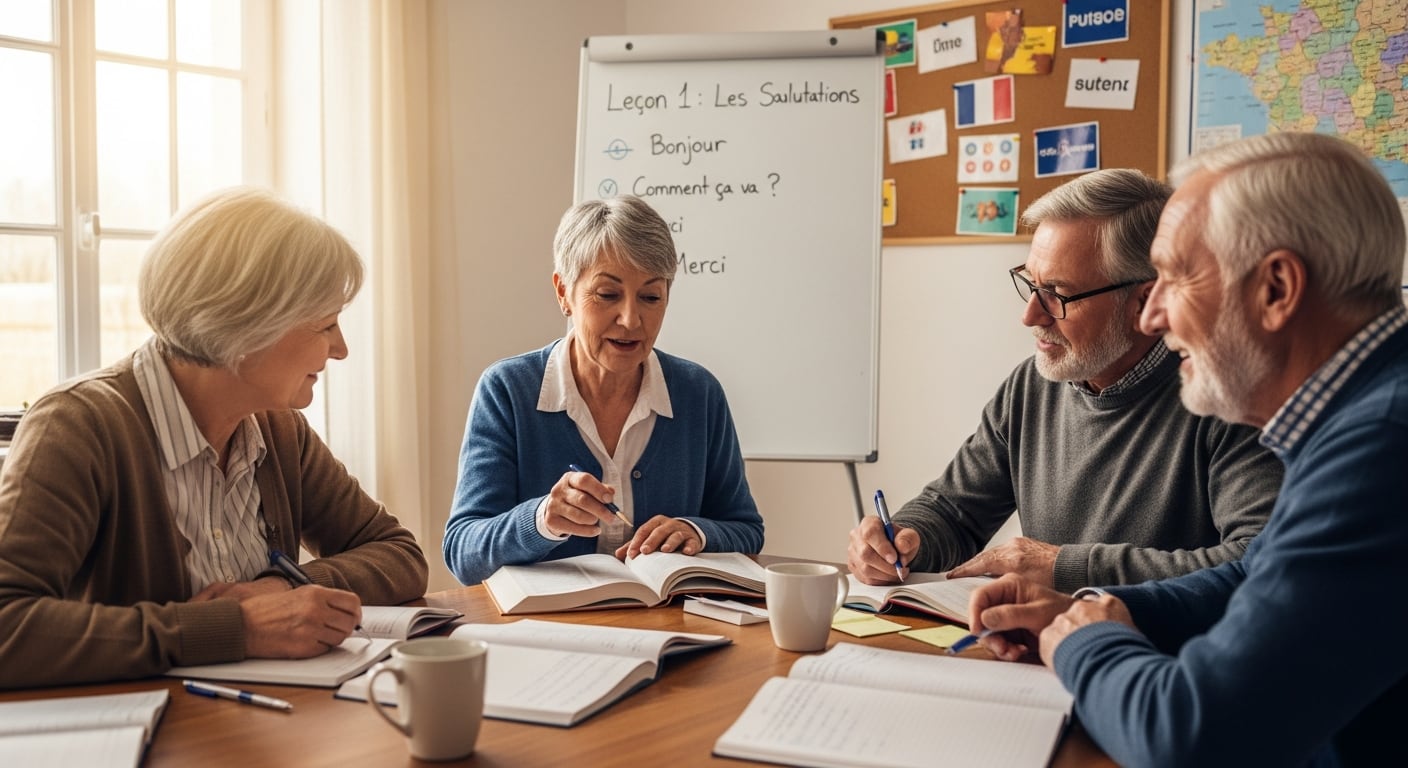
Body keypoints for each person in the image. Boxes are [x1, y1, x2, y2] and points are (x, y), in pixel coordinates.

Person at [968, 132, 1408, 766]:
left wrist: (1084, 644)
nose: (1152, 318)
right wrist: (1093, 608)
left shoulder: (1380, 451)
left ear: (1277, 289)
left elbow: (1187, 735)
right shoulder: (1364, 412)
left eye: (1174, 278)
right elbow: (1255, 575)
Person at [0, 187, 428, 690]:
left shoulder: (278, 428)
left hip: (258, 723)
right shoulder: (77, 426)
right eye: (326, 325)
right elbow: (8, 626)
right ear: (248, 330)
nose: (340, 349)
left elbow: (399, 554)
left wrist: (281, 589)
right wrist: (233, 629)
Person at [849, 168, 1281, 591]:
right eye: (1030, 283)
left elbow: (1258, 560)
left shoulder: (1228, 396)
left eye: (1057, 293)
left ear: (1144, 300)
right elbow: (956, 512)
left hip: (1158, 654)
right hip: (1039, 650)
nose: (1030, 315)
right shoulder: (1032, 387)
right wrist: (904, 540)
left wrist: (1065, 566)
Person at [443, 195, 764, 585]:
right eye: (607, 295)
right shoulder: (508, 390)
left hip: (669, 630)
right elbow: (462, 552)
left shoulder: (699, 392)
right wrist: (541, 519)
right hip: (547, 634)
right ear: (564, 292)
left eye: (650, 297)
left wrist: (695, 531)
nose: (631, 320)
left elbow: (747, 530)